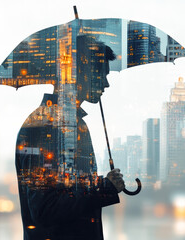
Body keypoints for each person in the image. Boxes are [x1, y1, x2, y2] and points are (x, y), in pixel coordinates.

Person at [15, 35, 124, 240]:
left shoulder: (71, 124)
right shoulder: (44, 126)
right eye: (101, 74)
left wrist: (104, 185)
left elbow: (69, 189)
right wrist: (104, 188)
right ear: (80, 73)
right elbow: (44, 209)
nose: (106, 83)